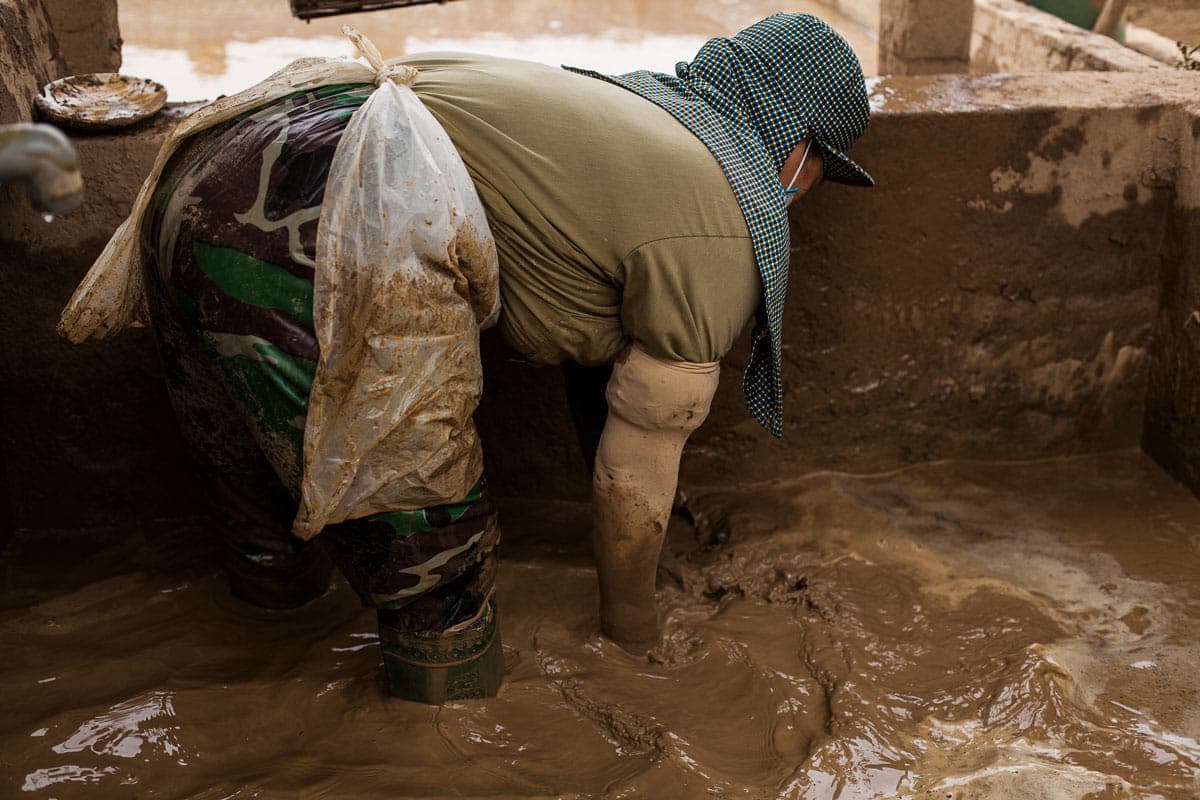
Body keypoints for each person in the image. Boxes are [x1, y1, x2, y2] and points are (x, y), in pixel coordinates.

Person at [136, 12, 873, 704]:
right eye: (821, 171)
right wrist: (636, 642)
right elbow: (634, 470)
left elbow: (600, 365)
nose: (806, 192)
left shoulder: (612, 113)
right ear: (799, 151)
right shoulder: (719, 230)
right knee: (438, 580)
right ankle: (443, 746)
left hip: (214, 164)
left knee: (267, 521)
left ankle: (248, 693)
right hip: (324, 224)